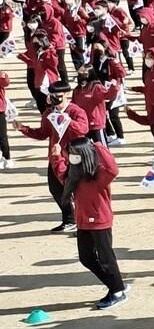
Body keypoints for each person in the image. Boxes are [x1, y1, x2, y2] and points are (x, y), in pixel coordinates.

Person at [15, 81, 89, 231]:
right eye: (52, 95)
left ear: (67, 94)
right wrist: (24, 128)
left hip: (74, 156)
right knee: (55, 189)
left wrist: (68, 120)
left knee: (77, 189)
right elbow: (42, 133)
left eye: (58, 95)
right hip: (56, 156)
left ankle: (84, 219)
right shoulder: (49, 113)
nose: (55, 98)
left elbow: (83, 129)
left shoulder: (76, 111)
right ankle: (69, 219)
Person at [61, 137, 126, 308]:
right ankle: (117, 284)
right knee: (86, 258)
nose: (71, 156)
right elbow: (62, 174)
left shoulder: (99, 174)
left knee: (106, 258)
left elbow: (113, 169)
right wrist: (56, 157)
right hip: (83, 222)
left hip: (99, 222)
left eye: (74, 153)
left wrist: (98, 146)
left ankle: (117, 291)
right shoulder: (75, 174)